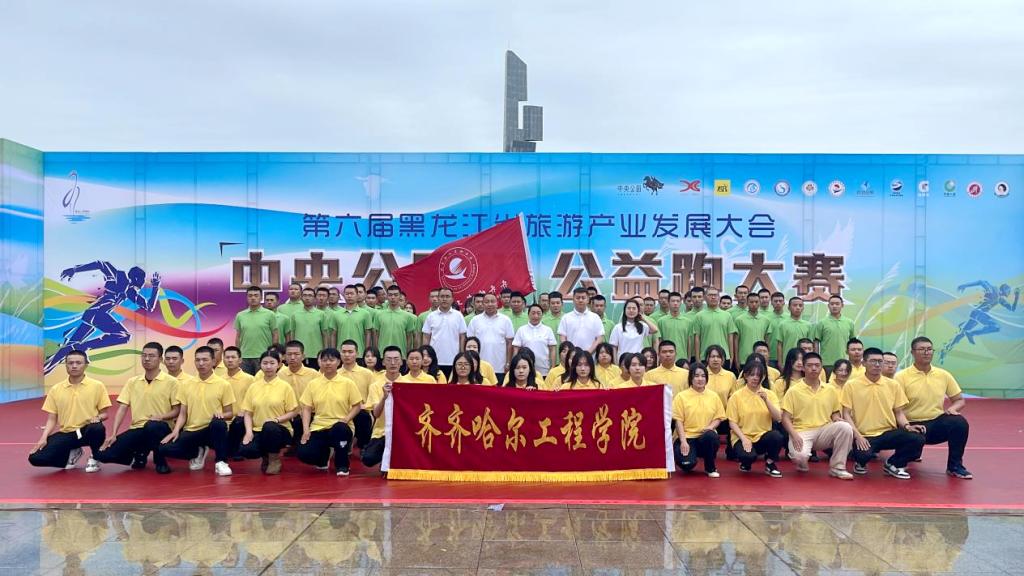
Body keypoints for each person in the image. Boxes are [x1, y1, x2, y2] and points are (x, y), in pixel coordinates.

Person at [841, 347, 926, 479]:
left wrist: (907, 426)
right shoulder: (851, 385)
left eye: (880, 361)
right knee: (863, 455)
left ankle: (893, 464)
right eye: (873, 361)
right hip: (865, 435)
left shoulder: (893, 385)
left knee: (917, 438)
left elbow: (899, 412)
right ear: (864, 363)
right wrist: (858, 436)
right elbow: (846, 414)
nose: (877, 364)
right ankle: (860, 463)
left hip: (888, 433)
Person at [95, 342, 180, 473]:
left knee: (152, 426)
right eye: (144, 355)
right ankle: (139, 453)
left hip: (162, 428)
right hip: (138, 428)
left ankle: (160, 461)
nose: (147, 359)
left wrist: (160, 417)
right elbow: (122, 408)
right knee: (102, 455)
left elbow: (176, 411)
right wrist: (114, 434)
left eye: (151, 356)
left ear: (160, 359)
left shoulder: (172, 382)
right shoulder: (132, 382)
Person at [895, 336, 973, 479]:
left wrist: (953, 409)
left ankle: (955, 466)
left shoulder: (943, 375)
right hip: (910, 424)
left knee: (959, 423)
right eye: (922, 349)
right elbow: (896, 408)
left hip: (935, 422)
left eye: (929, 349)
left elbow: (959, 400)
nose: (926, 352)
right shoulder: (901, 377)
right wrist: (907, 426)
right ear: (912, 352)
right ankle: (898, 459)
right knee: (911, 447)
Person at [158, 346, 235, 476]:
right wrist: (175, 431)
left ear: (213, 361)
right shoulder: (186, 384)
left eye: (205, 360)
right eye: (198, 360)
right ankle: (197, 452)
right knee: (163, 448)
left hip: (212, 430)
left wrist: (221, 415)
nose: (201, 363)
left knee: (219, 423)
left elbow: (230, 413)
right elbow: (183, 413)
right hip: (192, 431)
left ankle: (221, 462)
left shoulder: (223, 384)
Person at [29, 351, 110, 472]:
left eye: (78, 363)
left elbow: (105, 414)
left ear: (86, 365)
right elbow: (52, 419)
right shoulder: (56, 389)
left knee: (97, 428)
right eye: (70, 363)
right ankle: (74, 452)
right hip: (67, 433)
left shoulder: (97, 386)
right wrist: (43, 438)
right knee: (35, 458)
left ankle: (95, 456)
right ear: (66, 365)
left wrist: (98, 418)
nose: (74, 366)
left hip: (87, 430)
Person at [781, 352, 855, 480]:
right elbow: (785, 418)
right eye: (810, 365)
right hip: (802, 432)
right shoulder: (793, 391)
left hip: (824, 430)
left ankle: (837, 468)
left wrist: (836, 418)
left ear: (821, 367)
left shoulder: (830, 389)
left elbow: (835, 412)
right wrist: (794, 435)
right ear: (803, 368)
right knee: (800, 456)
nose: (814, 368)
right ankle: (802, 463)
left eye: (817, 365)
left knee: (845, 427)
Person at [297, 347, 365, 476]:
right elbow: (306, 408)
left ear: (338, 362)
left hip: (341, 425)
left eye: (331, 360)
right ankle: (323, 458)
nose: (327, 363)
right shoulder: (313, 384)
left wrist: (346, 419)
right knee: (304, 453)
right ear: (319, 362)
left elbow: (357, 406)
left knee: (340, 430)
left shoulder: (347, 383)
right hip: (319, 426)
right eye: (324, 360)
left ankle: (342, 464)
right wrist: (306, 430)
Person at [237, 350, 298, 475]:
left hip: (280, 429)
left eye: (272, 363)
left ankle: (274, 459)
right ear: (260, 365)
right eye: (265, 363)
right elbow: (248, 413)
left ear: (279, 365)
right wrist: (248, 432)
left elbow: (293, 412)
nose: (268, 366)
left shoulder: (285, 387)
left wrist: (276, 420)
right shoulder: (254, 387)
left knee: (270, 427)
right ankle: (266, 456)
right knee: (246, 450)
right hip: (258, 429)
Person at [727, 360, 784, 477]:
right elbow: (732, 422)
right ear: (745, 376)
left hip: (762, 436)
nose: (755, 378)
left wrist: (766, 400)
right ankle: (745, 462)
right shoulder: (736, 396)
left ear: (763, 377)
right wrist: (744, 439)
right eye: (752, 374)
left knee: (776, 436)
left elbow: (778, 417)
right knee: (748, 456)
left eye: (758, 375)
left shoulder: (770, 394)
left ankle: (770, 463)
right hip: (742, 436)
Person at [672, 362, 725, 477]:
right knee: (687, 465)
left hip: (704, 436)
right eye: (696, 376)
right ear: (691, 378)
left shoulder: (713, 396)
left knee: (711, 436)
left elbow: (719, 417)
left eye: (703, 376)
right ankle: (688, 457)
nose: (700, 379)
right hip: (687, 437)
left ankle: (710, 467)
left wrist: (710, 427)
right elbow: (678, 421)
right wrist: (683, 441)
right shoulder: (681, 396)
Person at [361, 346, 403, 470]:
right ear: (383, 362)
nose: (393, 363)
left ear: (401, 362)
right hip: (382, 432)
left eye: (396, 359)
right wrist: (384, 397)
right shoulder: (375, 385)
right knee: (368, 459)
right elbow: (376, 414)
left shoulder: (409, 384)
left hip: (403, 432)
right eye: (389, 360)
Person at [276, 341, 321, 446]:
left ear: (303, 356)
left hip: (309, 415)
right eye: (289, 354)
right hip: (287, 416)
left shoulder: (313, 374)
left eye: (296, 354)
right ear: (284, 357)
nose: (292, 357)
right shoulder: (279, 375)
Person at [467, 293, 515, 383]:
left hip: (500, 366)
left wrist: (508, 363)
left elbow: (509, 343)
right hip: (479, 366)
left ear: (497, 303)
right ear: (483, 304)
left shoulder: (505, 320)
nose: (490, 304)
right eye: (487, 302)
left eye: (492, 301)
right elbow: (470, 343)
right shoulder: (475, 320)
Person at [338, 340, 376, 452]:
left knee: (363, 416)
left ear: (357, 353)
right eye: (344, 352)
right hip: (341, 411)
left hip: (361, 410)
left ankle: (363, 446)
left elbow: (373, 396)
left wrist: (365, 406)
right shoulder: (336, 373)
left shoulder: (367, 374)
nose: (347, 355)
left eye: (350, 352)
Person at [422, 287, 467, 378]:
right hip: (434, 360)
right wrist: (425, 356)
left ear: (452, 299)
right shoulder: (431, 316)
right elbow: (426, 337)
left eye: (447, 296)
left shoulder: (458, 315)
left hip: (454, 360)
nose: (444, 299)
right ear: (438, 298)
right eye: (442, 296)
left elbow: (462, 336)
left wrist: (462, 355)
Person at [234, 286, 278, 375]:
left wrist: (272, 352)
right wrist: (238, 354)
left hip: (263, 356)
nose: (253, 298)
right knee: (246, 382)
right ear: (247, 298)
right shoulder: (240, 315)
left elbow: (275, 334)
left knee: (263, 381)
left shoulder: (270, 314)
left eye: (256, 295)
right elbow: (238, 336)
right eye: (250, 296)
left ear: (261, 298)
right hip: (245, 356)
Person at [222, 346, 255, 460]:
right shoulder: (219, 380)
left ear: (240, 360)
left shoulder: (250, 379)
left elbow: (253, 401)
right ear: (223, 359)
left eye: (233, 357)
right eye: (227, 357)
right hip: (224, 418)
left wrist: (244, 412)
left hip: (242, 419)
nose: (230, 360)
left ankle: (235, 450)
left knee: (238, 422)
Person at [693, 287, 738, 369]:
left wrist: (731, 357)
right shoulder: (699, 316)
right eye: (710, 295)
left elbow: (730, 337)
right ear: (705, 297)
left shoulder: (727, 315)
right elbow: (697, 338)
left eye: (715, 295)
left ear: (719, 297)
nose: (713, 297)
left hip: (724, 357)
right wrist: (697, 359)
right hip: (705, 357)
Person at [512, 304, 558, 376]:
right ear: (528, 315)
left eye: (538, 313)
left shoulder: (548, 330)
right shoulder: (521, 330)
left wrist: (552, 367)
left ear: (542, 315)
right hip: (525, 370)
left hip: (544, 369)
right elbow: (516, 350)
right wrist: (514, 366)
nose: (536, 316)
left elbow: (552, 349)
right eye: (533, 313)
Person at [814, 295, 856, 373]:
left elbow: (853, 343)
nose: (834, 306)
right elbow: (816, 341)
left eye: (837, 304)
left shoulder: (849, 322)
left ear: (842, 305)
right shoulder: (822, 322)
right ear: (828, 306)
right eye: (832, 304)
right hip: (826, 363)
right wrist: (816, 359)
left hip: (844, 362)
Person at [374, 284, 418, 357]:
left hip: (401, 355)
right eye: (390, 295)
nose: (393, 297)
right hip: (382, 355)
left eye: (396, 295)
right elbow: (376, 335)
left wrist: (407, 355)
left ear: (400, 296)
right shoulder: (378, 314)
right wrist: (377, 354)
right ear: (387, 296)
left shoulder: (407, 316)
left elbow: (409, 338)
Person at [328, 285, 373, 355]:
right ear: (343, 295)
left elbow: (368, 334)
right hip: (341, 353)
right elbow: (333, 334)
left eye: (352, 294)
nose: (349, 296)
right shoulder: (336, 314)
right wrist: (334, 352)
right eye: (347, 294)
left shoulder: (365, 314)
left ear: (357, 295)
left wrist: (366, 351)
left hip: (359, 353)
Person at [291, 287, 330, 369]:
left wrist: (325, 352)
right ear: (301, 297)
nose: (307, 298)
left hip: (316, 353)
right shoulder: (295, 314)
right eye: (305, 295)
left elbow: (324, 334)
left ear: (315, 298)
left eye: (310, 295)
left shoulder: (321, 314)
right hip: (298, 354)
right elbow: (292, 334)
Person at [558, 287, 605, 352]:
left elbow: (599, 338)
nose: (580, 300)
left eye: (583, 298)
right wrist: (570, 353)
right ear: (573, 300)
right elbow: (563, 338)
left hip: (590, 356)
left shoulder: (595, 317)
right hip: (571, 356)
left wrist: (588, 353)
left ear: (588, 300)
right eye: (578, 298)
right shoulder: (566, 318)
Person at [734, 293, 772, 364]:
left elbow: (767, 341)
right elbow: (736, 341)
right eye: (751, 302)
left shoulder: (766, 320)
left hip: (761, 358)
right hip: (744, 358)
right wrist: (736, 359)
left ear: (759, 303)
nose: (754, 304)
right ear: (747, 303)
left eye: (756, 302)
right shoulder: (739, 320)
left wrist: (767, 358)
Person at [774, 297, 813, 364]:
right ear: (789, 308)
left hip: (803, 361)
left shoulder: (808, 325)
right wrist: (780, 363)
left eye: (800, 305)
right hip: (787, 360)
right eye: (795, 305)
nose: (798, 308)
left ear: (803, 308)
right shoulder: (783, 324)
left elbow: (810, 346)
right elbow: (779, 345)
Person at [657, 291, 694, 361]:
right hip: (666, 358)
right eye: (673, 301)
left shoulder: (688, 322)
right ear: (668, 302)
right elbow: (659, 341)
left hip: (682, 358)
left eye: (678, 301)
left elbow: (689, 342)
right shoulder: (661, 321)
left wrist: (688, 359)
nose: (675, 303)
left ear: (681, 303)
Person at [766, 292, 787, 366]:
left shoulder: (789, 318)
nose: (778, 303)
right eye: (775, 301)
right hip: (770, 356)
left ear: (784, 302)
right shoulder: (766, 319)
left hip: (786, 356)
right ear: (771, 302)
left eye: (780, 301)